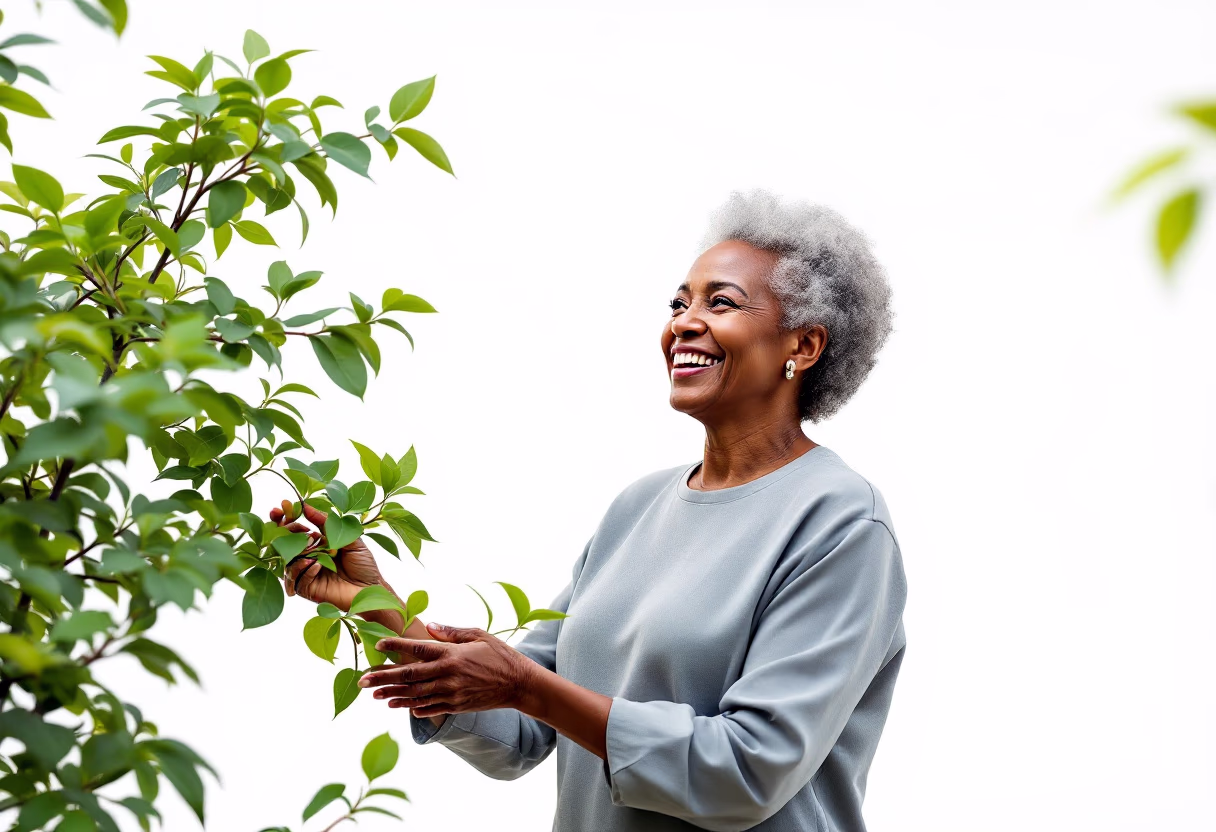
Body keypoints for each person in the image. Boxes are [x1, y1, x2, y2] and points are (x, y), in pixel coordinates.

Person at [271, 189, 907, 831]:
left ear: (804, 344)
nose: (684, 324)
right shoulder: (636, 508)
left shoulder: (841, 525)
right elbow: (518, 729)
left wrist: (525, 686)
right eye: (679, 303)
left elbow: (746, 771)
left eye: (721, 303)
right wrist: (372, 599)